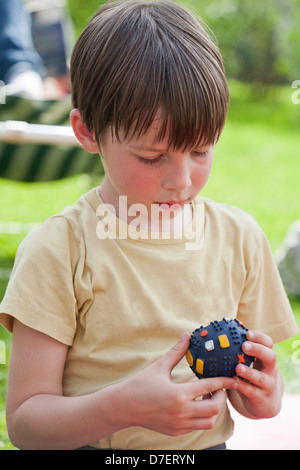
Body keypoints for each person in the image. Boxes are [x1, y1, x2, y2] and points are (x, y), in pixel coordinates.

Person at [0, 0, 298, 450]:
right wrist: (121, 408)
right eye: (151, 157)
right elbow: (26, 424)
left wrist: (263, 393)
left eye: (200, 150)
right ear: (87, 132)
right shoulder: (59, 249)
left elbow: (261, 401)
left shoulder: (240, 239)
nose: (181, 181)